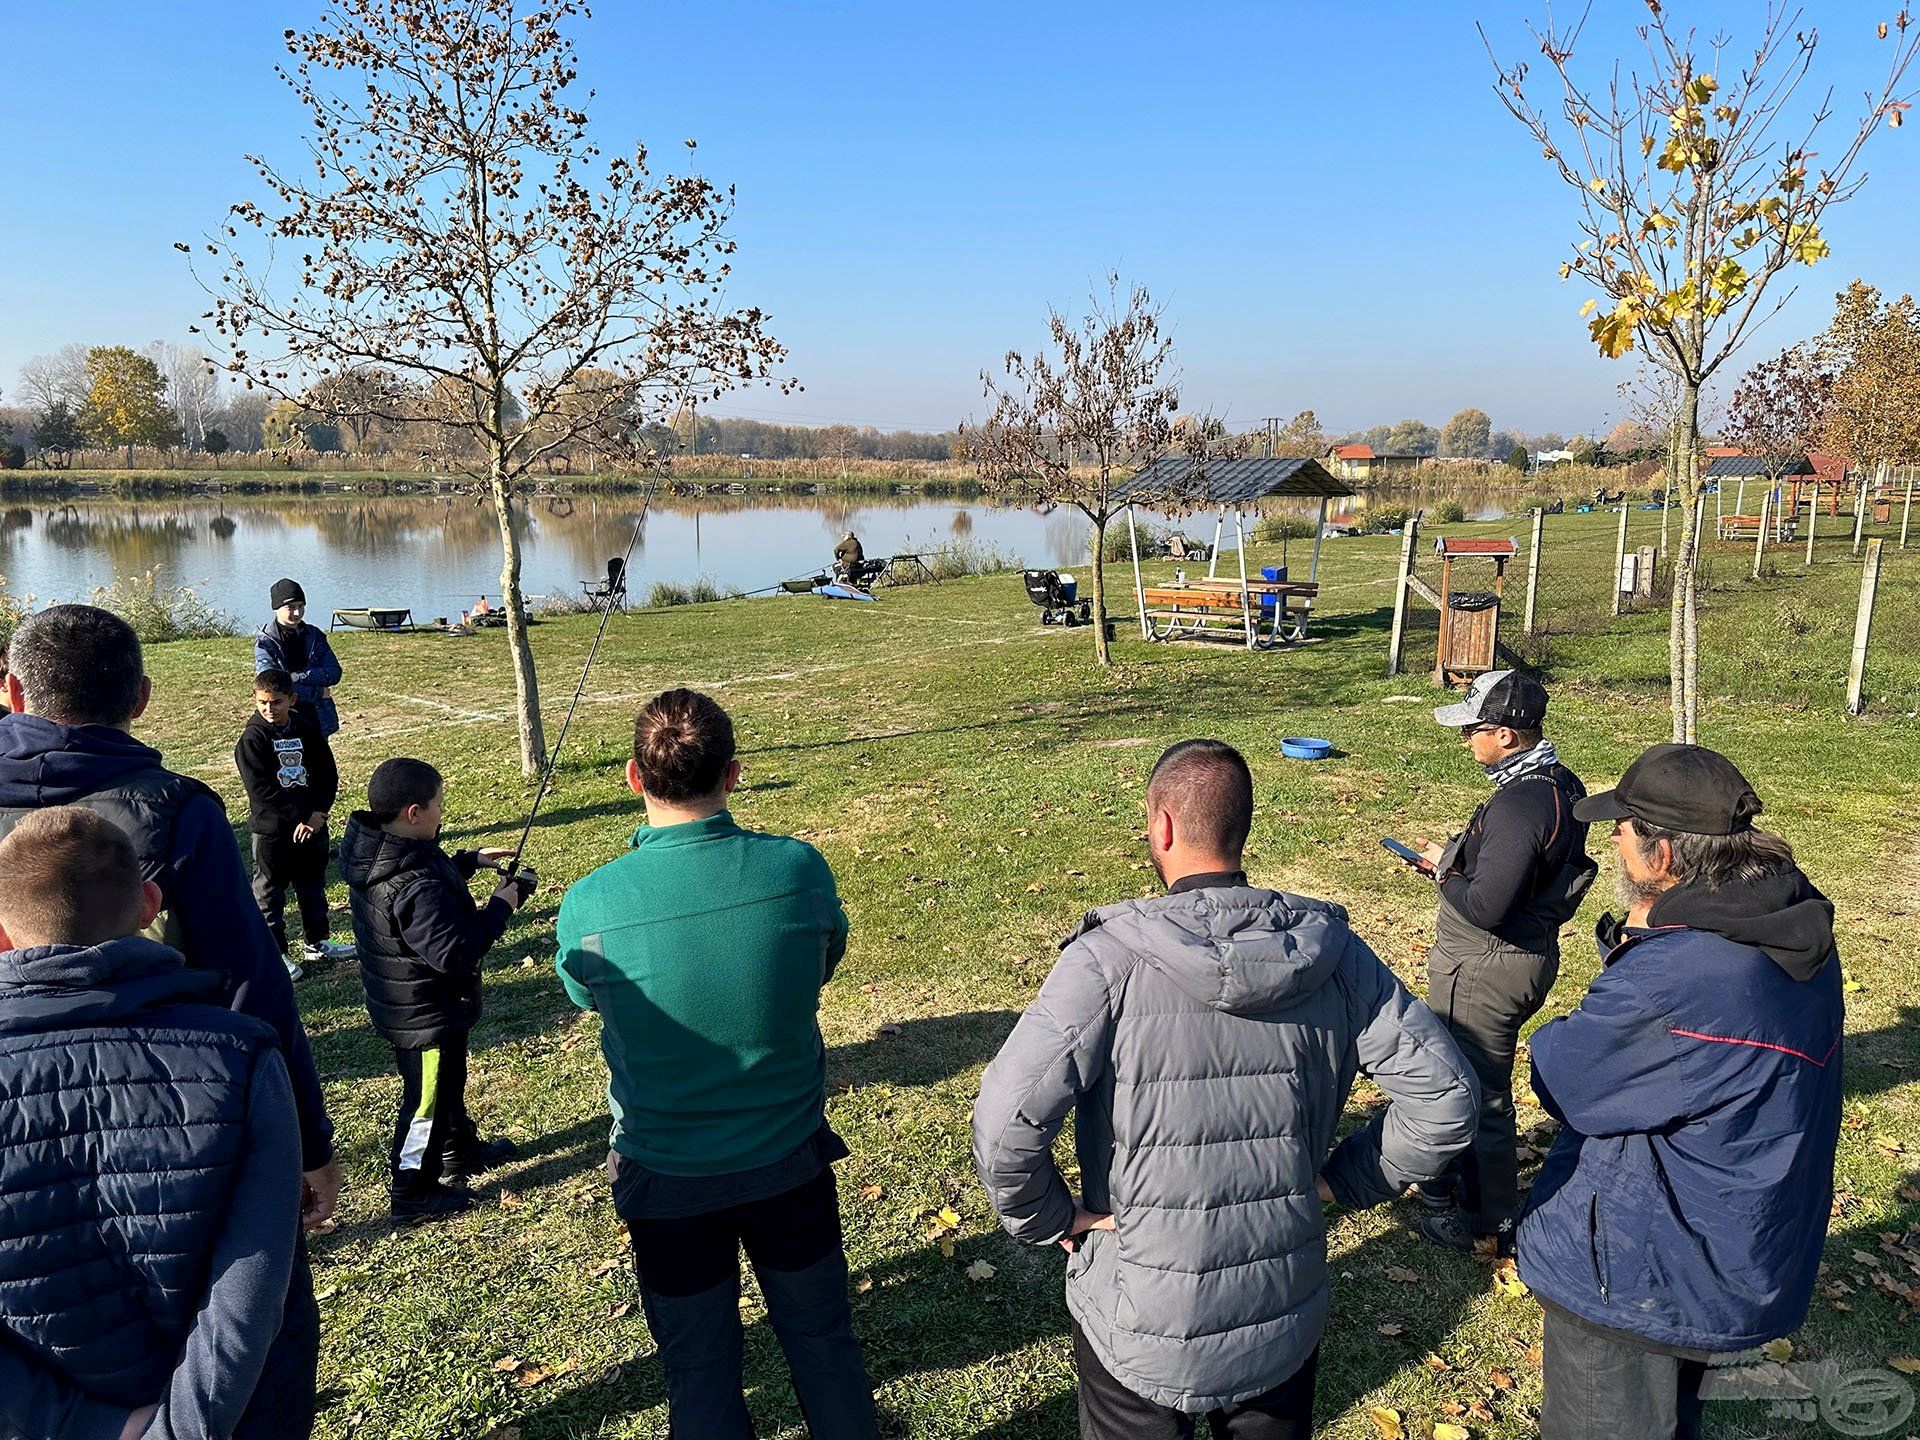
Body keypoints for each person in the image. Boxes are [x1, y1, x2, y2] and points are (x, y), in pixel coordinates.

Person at [974, 739, 1480, 1439]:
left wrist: (1050, 1219)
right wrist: (1344, 1180)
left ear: (1162, 826)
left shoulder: (1104, 960)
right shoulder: (1333, 955)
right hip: (1278, 1311)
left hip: (1138, 1314)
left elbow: (1005, 1121)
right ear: (1242, 828)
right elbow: (1448, 1097)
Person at [0, 605, 335, 1438]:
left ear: (10, 692)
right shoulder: (174, 809)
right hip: (181, 1111)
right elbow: (250, 981)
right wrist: (308, 1140)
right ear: (142, 698)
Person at [557, 688, 881, 1440]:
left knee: (699, 1372)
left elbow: (584, 991)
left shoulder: (590, 904)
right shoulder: (798, 870)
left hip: (665, 1177)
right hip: (788, 1166)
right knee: (824, 1346)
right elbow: (823, 957)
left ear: (634, 778)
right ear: (733, 775)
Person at [1518, 745, 1844, 1440]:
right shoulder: (1792, 924)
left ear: (1662, 856)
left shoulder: (1676, 978)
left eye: (1624, 826)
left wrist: (1637, 946)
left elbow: (1563, 1077)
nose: (1611, 837)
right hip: (1739, 1244)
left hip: (1644, 1273)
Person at [0, 807, 303, 1440]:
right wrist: (184, 1429)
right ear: (149, 903)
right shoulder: (243, 1055)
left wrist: (79, 1425)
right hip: (239, 1411)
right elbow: (254, 1274)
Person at [1410, 669, 1595, 1256]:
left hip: (1485, 966)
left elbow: (1486, 906)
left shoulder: (1519, 804)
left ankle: (1483, 1218)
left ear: (1507, 736)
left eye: (1475, 730)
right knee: (1477, 1081)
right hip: (1527, 954)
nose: (1468, 741)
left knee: (1479, 1091)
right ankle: (1464, 1190)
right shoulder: (1561, 783)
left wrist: (1446, 870)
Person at [341, 758, 532, 1222]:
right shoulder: (412, 882)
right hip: (423, 1015)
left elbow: (425, 878)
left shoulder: (383, 850)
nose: (441, 814)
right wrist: (501, 906)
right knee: (424, 1102)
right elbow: (453, 950)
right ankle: (411, 1191)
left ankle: (456, 1151)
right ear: (413, 812)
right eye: (437, 806)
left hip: (423, 1005)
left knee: (448, 1083)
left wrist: (468, 862)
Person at [235, 667, 355, 981]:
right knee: (270, 893)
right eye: (263, 702)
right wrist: (299, 818)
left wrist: (318, 814)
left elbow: (326, 773)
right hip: (273, 831)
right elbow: (261, 791)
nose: (269, 709)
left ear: (292, 699)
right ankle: (277, 953)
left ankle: (317, 940)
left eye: (276, 702)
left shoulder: (306, 727)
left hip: (312, 826)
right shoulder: (252, 739)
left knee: (312, 885)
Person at [255, 577, 343, 737]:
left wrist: (297, 677)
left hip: (318, 716)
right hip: (282, 718)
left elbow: (334, 673)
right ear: (276, 607)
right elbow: (273, 687)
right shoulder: (265, 642)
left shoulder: (315, 635)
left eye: (300, 606)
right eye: (290, 607)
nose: (297, 613)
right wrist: (318, 692)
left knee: (320, 762)